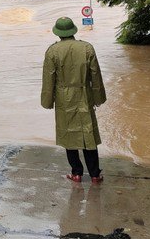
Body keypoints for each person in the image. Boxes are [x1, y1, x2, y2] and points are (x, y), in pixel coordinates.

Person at [41, 17, 106, 184]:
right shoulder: (87, 48)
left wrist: (48, 102)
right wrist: (98, 98)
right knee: (88, 133)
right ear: (73, 30)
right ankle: (95, 174)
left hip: (64, 98)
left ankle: (76, 173)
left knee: (69, 134)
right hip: (84, 94)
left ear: (58, 32)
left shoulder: (52, 51)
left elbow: (49, 80)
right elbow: (96, 75)